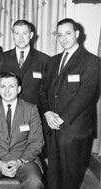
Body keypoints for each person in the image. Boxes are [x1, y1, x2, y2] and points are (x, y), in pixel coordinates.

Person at [39, 18, 100, 189]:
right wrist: (47, 113)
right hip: (52, 126)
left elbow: (84, 96)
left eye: (68, 33)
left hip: (74, 129)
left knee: (71, 174)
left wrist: (61, 119)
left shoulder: (92, 62)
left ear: (77, 34)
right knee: (53, 173)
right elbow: (42, 90)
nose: (64, 38)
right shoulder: (52, 61)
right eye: (60, 34)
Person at [0, 72, 44, 189]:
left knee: (35, 182)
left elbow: (36, 142)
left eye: (11, 86)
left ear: (18, 89)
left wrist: (19, 162)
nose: (6, 90)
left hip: (24, 159)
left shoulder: (31, 109)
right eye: (3, 86)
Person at [0, 20, 49, 108]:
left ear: (31, 35)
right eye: (17, 34)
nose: (21, 38)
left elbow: (45, 91)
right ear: (12, 35)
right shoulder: (2, 58)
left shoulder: (44, 59)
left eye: (24, 33)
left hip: (34, 113)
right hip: (8, 111)